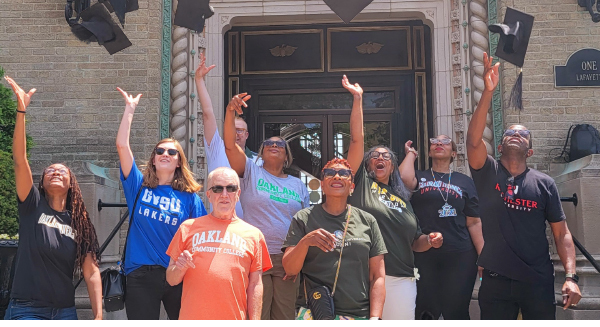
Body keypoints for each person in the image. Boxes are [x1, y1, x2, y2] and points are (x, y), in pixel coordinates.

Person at [466, 52, 582, 319]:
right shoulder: (488, 172)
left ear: (530, 151)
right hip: (495, 279)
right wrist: (487, 92)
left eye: (523, 134)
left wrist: (571, 276)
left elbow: (561, 233)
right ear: (500, 145)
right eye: (510, 132)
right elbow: (473, 142)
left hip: (537, 280)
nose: (516, 134)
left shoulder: (544, 184)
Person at [343, 74, 443, 320]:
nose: (380, 158)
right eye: (374, 155)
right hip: (362, 276)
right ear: (367, 164)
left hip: (401, 277)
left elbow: (415, 242)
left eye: (386, 156)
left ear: (393, 166)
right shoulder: (361, 184)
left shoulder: (404, 200)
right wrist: (358, 100)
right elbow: (357, 140)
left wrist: (429, 241)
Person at [3, 76, 102, 320]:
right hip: (27, 309)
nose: (55, 172)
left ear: (72, 185)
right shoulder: (32, 205)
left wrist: (99, 316)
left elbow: (91, 272)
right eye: (50, 170)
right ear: (42, 182)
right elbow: (19, 159)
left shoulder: (79, 224)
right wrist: (21, 110)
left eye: (62, 171)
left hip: (65, 312)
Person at [116, 87, 207, 320]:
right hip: (140, 274)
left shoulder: (189, 198)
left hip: (176, 273)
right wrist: (129, 110)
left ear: (179, 162)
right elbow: (122, 147)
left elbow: (201, 235)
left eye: (172, 152)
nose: (165, 154)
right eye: (160, 151)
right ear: (154, 159)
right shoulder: (138, 186)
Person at [224, 92, 311, 320]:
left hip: (286, 259)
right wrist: (230, 111)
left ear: (286, 155)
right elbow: (231, 147)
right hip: (254, 257)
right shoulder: (250, 172)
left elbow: (305, 223)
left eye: (280, 144)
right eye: (269, 143)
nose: (274, 145)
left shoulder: (297, 184)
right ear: (261, 152)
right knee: (256, 314)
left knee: (284, 316)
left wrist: (298, 258)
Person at [282, 158, 387, 320]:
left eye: (344, 174)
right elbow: (289, 269)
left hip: (357, 314)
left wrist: (375, 317)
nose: (337, 176)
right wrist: (306, 241)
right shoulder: (304, 218)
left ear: (352, 187)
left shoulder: (368, 221)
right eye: (330, 173)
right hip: (315, 312)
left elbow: (377, 276)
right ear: (322, 185)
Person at [166, 167, 272, 320]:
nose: (224, 195)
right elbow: (171, 279)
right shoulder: (187, 227)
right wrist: (180, 268)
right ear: (209, 195)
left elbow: (256, 285)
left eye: (231, 188)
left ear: (238, 194)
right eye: (217, 188)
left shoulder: (254, 235)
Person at [399, 136, 483, 319]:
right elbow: (404, 178)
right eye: (434, 142)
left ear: (453, 153)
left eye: (445, 142)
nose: (438, 143)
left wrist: (483, 256)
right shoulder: (419, 176)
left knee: (457, 310)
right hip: (424, 253)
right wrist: (411, 155)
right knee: (425, 310)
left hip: (460, 254)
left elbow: (474, 221)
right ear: (429, 152)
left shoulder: (465, 181)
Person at [195, 52, 262, 218]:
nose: (237, 134)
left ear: (247, 135)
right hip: (220, 228)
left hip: (248, 230)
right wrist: (198, 80)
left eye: (240, 131)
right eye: (234, 129)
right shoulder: (217, 149)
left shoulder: (258, 162)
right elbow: (208, 113)